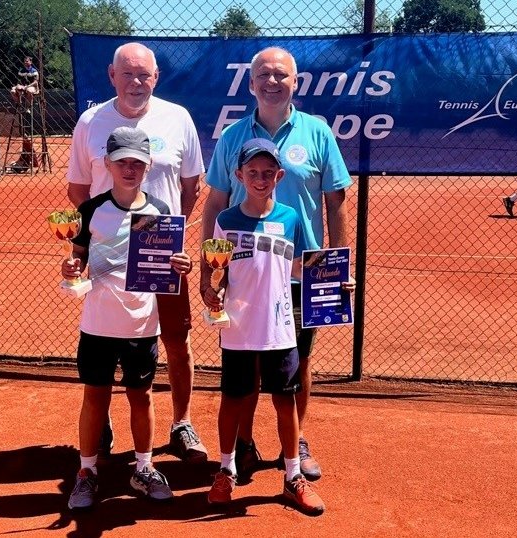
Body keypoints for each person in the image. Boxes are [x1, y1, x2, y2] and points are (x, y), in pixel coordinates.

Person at [201, 46, 354, 481]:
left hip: (304, 270)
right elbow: (215, 202)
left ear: (295, 82)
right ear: (251, 84)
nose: (272, 81)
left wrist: (338, 265)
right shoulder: (232, 137)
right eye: (264, 74)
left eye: (281, 75)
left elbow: (336, 202)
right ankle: (244, 443)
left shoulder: (317, 133)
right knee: (247, 362)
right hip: (243, 273)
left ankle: (296, 441)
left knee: (299, 361)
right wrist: (209, 267)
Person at [67, 42, 207, 463]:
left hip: (161, 257)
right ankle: (102, 425)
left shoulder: (178, 118)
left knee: (176, 341)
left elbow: (191, 187)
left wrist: (165, 234)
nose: (136, 82)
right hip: (107, 260)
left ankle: (181, 423)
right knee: (108, 342)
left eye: (144, 74)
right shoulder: (90, 121)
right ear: (112, 76)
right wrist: (106, 232)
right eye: (127, 73)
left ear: (156, 77)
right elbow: (77, 190)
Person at [63, 126, 194, 510]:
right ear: (108, 164)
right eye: (122, 162)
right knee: (95, 397)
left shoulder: (162, 211)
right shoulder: (90, 211)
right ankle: (87, 471)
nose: (130, 169)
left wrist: (181, 265)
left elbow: (168, 265)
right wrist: (70, 270)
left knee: (142, 397)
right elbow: (77, 260)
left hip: (142, 325)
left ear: (148, 165)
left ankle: (144, 467)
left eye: (137, 162)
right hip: (99, 325)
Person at [202, 138, 325, 516]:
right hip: (238, 328)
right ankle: (226, 471)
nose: (260, 179)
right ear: (239, 176)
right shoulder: (226, 221)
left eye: (268, 173)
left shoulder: (290, 218)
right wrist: (211, 290)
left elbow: (300, 265)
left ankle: (292, 476)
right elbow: (217, 270)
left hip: (279, 328)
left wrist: (335, 281)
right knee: (233, 399)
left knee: (285, 401)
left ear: (279, 176)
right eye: (253, 172)